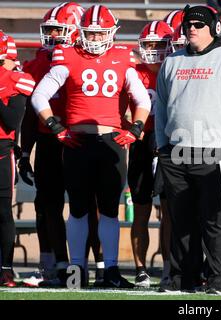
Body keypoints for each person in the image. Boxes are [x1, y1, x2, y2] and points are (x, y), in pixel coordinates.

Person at [31, 4, 151, 288]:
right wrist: (56, 127)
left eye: (100, 34)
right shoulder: (68, 55)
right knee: (78, 209)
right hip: (78, 141)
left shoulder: (122, 57)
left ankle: (110, 270)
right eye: (90, 34)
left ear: (111, 33)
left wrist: (135, 129)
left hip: (111, 141)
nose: (95, 40)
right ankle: (76, 270)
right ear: (81, 32)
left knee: (109, 209)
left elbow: (142, 99)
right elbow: (39, 96)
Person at [155, 5, 221, 293]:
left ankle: (215, 279)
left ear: (213, 27)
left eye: (198, 24)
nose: (192, 29)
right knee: (181, 220)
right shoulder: (171, 61)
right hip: (175, 152)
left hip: (215, 152)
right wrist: (161, 146)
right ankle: (182, 278)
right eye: (188, 25)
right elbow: (161, 106)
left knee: (214, 221)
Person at [19, 2, 105, 288]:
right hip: (49, 140)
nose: (53, 35)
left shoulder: (87, 60)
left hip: (82, 139)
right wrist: (24, 151)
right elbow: (31, 114)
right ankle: (55, 264)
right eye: (50, 29)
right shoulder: (37, 63)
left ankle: (101, 266)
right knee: (47, 205)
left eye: (59, 29)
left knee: (89, 205)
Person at [128, 20, 173, 288]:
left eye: (159, 44)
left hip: (169, 144)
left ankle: (168, 267)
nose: (154, 50)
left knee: (169, 211)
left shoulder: (175, 69)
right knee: (142, 209)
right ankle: (141, 269)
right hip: (141, 142)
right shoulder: (134, 72)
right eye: (149, 45)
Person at [0, 31, 35, 287]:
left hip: (2, 150)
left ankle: (5, 268)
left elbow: (12, 121)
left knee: (2, 211)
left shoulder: (15, 79)